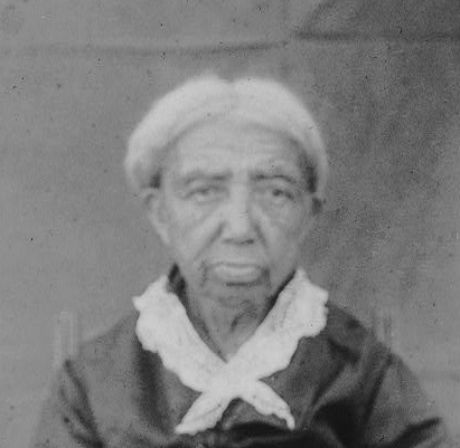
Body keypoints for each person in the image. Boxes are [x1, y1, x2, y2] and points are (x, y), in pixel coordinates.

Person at [31, 74, 452, 448]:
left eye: (275, 193)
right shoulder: (94, 380)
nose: (239, 227)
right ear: (159, 213)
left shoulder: (361, 370)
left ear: (309, 214)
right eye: (204, 191)